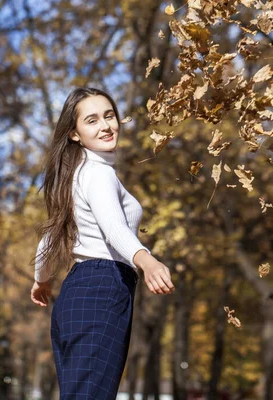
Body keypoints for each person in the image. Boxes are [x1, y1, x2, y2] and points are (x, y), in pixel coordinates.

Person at [30, 87, 174, 399]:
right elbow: (113, 228)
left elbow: (48, 239)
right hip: (102, 290)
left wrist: (41, 280)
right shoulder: (97, 174)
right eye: (92, 120)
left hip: (75, 297)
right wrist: (147, 260)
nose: (105, 125)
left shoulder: (76, 174)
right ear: (75, 134)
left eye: (109, 116)